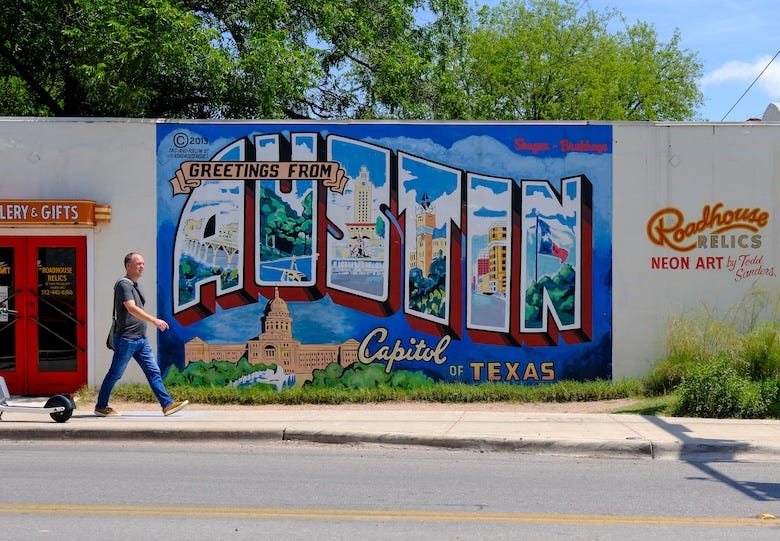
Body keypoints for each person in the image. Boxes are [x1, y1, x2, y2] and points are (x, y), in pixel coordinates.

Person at [95, 252, 188, 417]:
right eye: (138, 263)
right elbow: (130, 308)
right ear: (128, 266)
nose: (141, 266)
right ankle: (101, 406)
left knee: (153, 372)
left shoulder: (135, 285)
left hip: (141, 340)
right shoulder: (124, 285)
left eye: (143, 263)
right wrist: (154, 320)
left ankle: (167, 404)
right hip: (126, 339)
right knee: (115, 374)